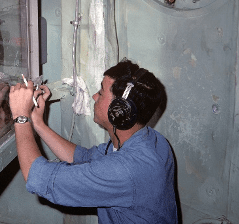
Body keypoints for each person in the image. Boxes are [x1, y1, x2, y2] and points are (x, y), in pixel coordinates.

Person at [9, 59, 178, 223]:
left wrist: (20, 116)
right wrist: (38, 123)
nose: (94, 96)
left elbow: (36, 176)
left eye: (102, 92)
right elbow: (84, 157)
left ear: (119, 111)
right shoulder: (152, 140)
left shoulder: (125, 170)